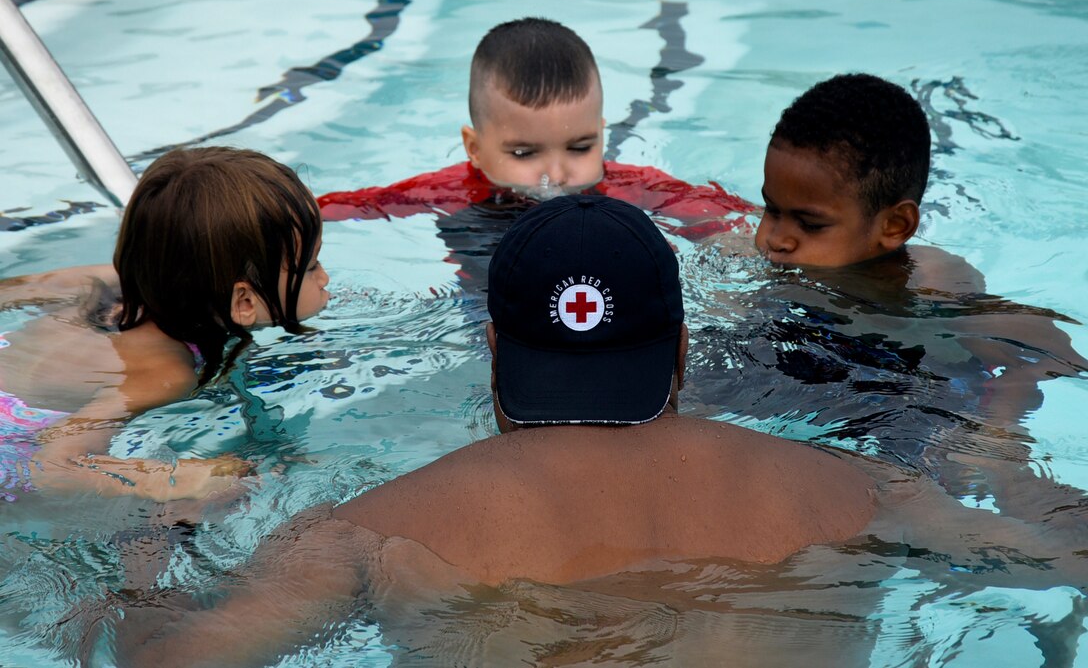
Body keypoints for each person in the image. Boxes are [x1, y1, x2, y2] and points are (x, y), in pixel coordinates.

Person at [111, 197, 1088, 668]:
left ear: (494, 351)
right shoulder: (861, 492)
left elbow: (170, 667)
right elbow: (1065, 560)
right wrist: (995, 449)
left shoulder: (366, 529)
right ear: (679, 351)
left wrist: (138, 566)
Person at [691, 73, 1086, 525]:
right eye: (771, 209)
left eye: (810, 224)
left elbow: (1044, 350)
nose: (775, 239)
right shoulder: (746, 257)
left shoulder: (930, 280)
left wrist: (1000, 427)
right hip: (785, 387)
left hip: (902, 407)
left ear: (894, 227)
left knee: (981, 484)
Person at [318, 17, 757, 286]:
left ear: (601, 134)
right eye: (525, 153)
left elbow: (719, 212)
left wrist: (728, 235)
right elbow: (360, 206)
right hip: (489, 312)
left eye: (580, 146)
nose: (558, 172)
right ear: (474, 148)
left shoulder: (625, 186)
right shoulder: (450, 192)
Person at [0, 147, 329, 503]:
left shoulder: (99, 283)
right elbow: (51, 468)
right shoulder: (164, 372)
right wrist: (171, 479)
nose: (325, 277)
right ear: (244, 302)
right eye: (311, 266)